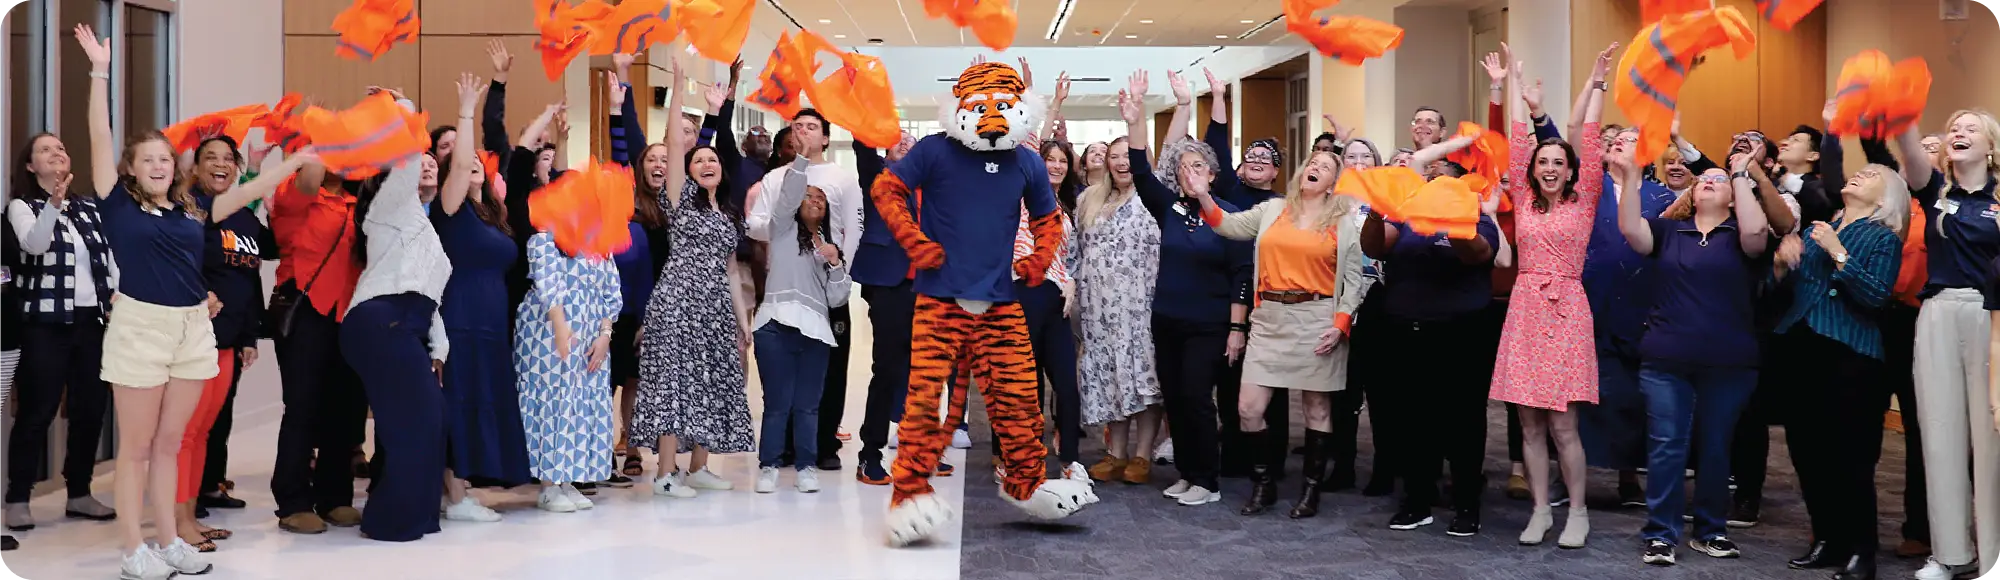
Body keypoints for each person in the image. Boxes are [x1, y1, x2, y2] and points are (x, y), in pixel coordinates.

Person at [76, 24, 307, 577]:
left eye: (164, 159)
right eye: (147, 159)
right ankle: (134, 548)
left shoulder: (192, 211)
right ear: (132, 168)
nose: (158, 165)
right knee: (136, 447)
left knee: (170, 443)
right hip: (140, 325)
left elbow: (248, 192)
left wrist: (294, 162)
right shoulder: (116, 204)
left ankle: (169, 539)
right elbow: (99, 135)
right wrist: (99, 72)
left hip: (191, 328)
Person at [1610, 144, 1772, 566]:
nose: (1709, 183)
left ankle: (1710, 530)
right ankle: (1661, 534)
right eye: (1704, 180)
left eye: (1718, 181)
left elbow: (1757, 236)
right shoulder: (1669, 232)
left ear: (1734, 195)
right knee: (1666, 446)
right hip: (1666, 359)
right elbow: (1631, 231)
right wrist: (1629, 177)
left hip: (1729, 362)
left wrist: (1738, 173)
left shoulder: (1742, 235)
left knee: (1717, 447)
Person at [1491, 48, 1611, 548]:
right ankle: (1540, 510)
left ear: (1570, 169)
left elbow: (1591, 137)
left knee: (1565, 424)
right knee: (1529, 422)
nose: (1549, 167)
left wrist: (1599, 81)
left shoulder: (1584, 203)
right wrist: (1515, 85)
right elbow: (1516, 144)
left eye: (1559, 162)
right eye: (1543, 161)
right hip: (1524, 308)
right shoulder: (1523, 197)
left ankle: (1577, 511)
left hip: (1565, 311)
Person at [1771, 161, 1907, 580]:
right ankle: (1826, 539)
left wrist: (1836, 249)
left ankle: (1861, 551)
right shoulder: (1815, 230)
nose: (1858, 176)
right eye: (1859, 172)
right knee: (1806, 451)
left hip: (1850, 354)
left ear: (1885, 199)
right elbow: (1795, 287)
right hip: (1800, 345)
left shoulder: (1882, 237)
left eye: (1871, 176)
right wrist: (1781, 264)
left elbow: (1875, 295)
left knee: (1851, 456)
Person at [633, 55, 753, 499]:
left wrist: (742, 319)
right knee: (674, 382)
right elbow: (674, 145)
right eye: (696, 159)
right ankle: (665, 472)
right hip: (678, 301)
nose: (705, 164)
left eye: (711, 160)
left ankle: (699, 466)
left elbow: (730, 268)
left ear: (720, 169)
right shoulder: (679, 200)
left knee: (713, 380)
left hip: (717, 307)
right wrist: (680, 87)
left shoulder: (728, 214)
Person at [340, 88, 449, 543]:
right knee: (414, 422)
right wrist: (399, 109)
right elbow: (406, 156)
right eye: (419, 159)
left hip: (407, 323)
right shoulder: (388, 207)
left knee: (429, 418)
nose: (425, 163)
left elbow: (432, 293)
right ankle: (392, 521)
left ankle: (418, 516)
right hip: (380, 320)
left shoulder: (421, 224)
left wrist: (439, 348)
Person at [432, 73, 535, 519]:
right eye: (461, 158)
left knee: (481, 401)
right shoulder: (449, 209)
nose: (470, 161)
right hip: (460, 317)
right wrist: (466, 110)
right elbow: (456, 168)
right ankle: (454, 495)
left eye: (477, 158)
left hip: (494, 324)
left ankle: (464, 488)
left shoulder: (493, 212)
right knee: (458, 401)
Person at [4, 131, 118, 532]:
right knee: (37, 411)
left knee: (90, 410)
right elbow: (35, 246)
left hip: (92, 323)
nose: (57, 153)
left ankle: (80, 493)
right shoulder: (22, 206)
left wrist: (117, 294)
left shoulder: (88, 208)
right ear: (30, 166)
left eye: (61, 148)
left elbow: (107, 258)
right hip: (45, 324)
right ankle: (18, 497)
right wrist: (52, 205)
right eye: (45, 150)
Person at [1905, 110, 2000, 580]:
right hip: (1939, 310)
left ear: (1991, 147)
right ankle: (1949, 554)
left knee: (1991, 439)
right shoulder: (1934, 192)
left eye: (1970, 128)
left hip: (1992, 315)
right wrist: (1900, 111)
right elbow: (1908, 151)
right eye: (1953, 128)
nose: (1958, 133)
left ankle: (1996, 559)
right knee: (1939, 434)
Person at [745, 157, 852, 493]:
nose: (815, 200)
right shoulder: (781, 230)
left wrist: (835, 264)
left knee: (808, 405)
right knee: (777, 403)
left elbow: (837, 298)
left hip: (816, 332)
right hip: (775, 325)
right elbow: (788, 197)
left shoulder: (829, 246)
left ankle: (807, 466)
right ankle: (769, 467)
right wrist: (803, 161)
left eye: (821, 199)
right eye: (809, 196)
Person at [514, 222, 623, 512]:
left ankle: (568, 480)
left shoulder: (600, 240)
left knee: (579, 405)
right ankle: (549, 485)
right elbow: (549, 288)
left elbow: (611, 292)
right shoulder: (543, 241)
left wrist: (605, 335)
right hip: (547, 335)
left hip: (590, 337)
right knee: (554, 403)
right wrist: (562, 331)